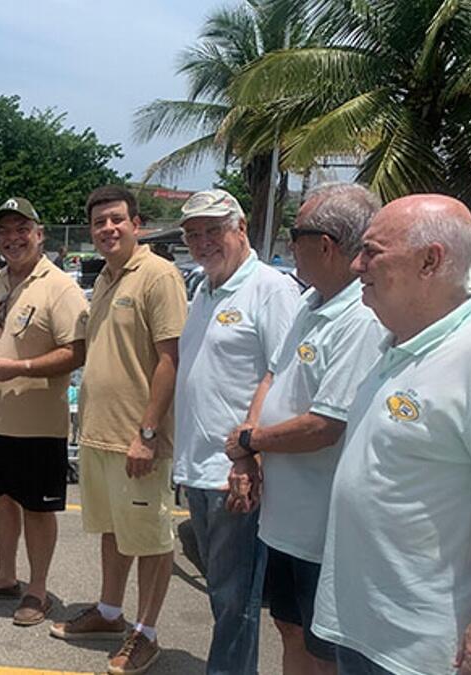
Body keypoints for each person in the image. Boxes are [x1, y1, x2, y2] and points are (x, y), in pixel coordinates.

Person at [313, 195, 471, 675]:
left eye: (372, 252)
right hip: (363, 629)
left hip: (427, 651)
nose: (357, 265)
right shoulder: (395, 345)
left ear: (430, 261)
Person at [223, 183, 386, 675]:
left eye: (295, 234)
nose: (289, 244)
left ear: (326, 244)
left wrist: (248, 441)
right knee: (289, 629)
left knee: (326, 652)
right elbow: (272, 375)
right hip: (284, 522)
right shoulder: (311, 301)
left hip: (323, 532)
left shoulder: (360, 316)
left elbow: (324, 425)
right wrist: (248, 456)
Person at [49, 186, 187, 675]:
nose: (107, 229)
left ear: (137, 223)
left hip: (138, 439)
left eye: (116, 220)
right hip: (99, 435)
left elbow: (170, 358)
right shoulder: (106, 277)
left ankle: (145, 632)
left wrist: (147, 434)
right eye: (99, 222)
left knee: (150, 539)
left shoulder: (158, 276)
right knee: (113, 530)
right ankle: (109, 612)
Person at [173, 189, 302, 674]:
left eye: (213, 230)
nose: (203, 241)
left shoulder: (270, 289)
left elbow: (283, 375)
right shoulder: (203, 288)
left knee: (236, 599)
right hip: (198, 466)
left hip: (234, 471)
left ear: (241, 228)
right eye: (193, 233)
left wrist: (251, 458)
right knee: (223, 594)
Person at [0, 197, 88, 627]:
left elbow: (76, 351)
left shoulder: (60, 287)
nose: (12, 239)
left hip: (37, 424)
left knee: (37, 507)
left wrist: (22, 367)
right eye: (4, 232)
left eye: (21, 230)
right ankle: (5, 576)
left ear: (39, 233)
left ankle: (37, 588)